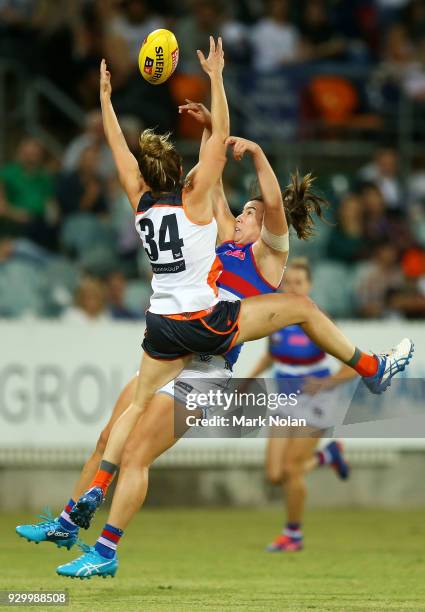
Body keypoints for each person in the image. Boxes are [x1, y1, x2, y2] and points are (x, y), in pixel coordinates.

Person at [246, 258, 356, 552]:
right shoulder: (275, 317)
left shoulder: (318, 319)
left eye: (299, 283)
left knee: (293, 470)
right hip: (285, 399)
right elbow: (271, 355)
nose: (292, 287)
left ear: (309, 287)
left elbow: (355, 365)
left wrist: (324, 384)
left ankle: (292, 535)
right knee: (274, 474)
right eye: (288, 282)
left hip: (316, 400)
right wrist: (248, 379)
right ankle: (328, 456)